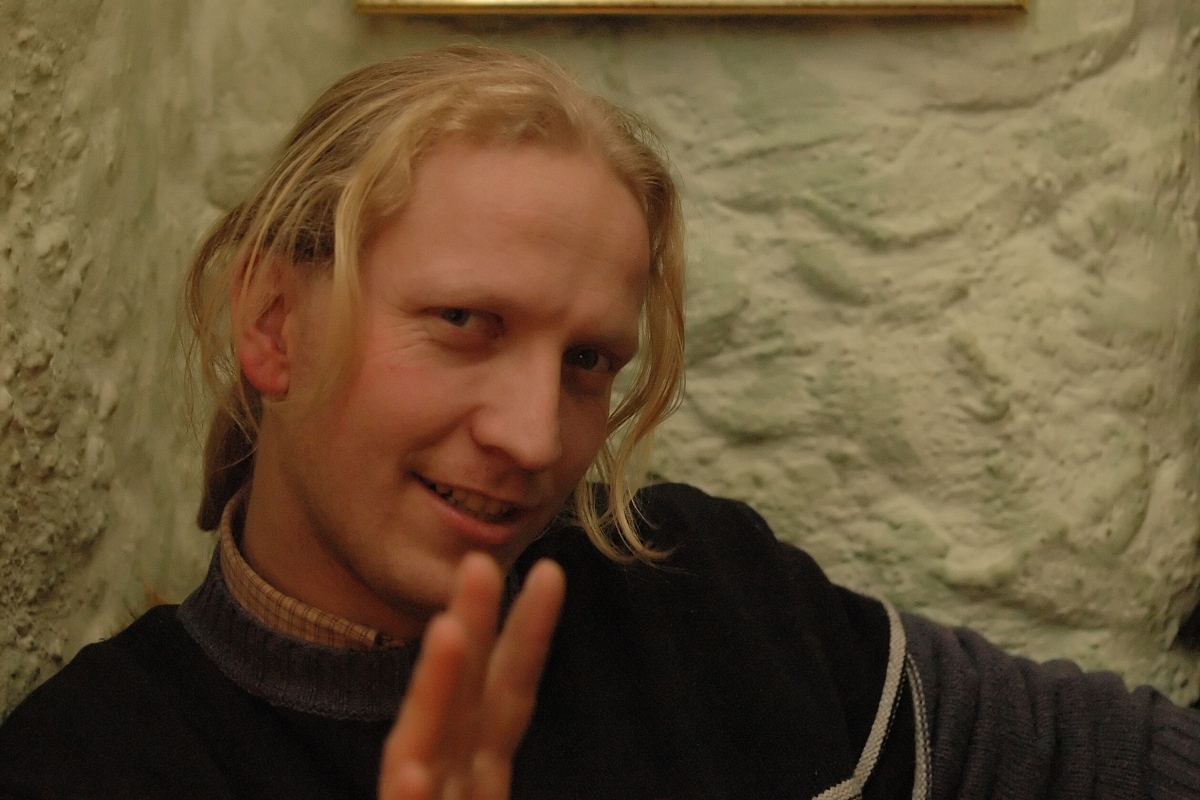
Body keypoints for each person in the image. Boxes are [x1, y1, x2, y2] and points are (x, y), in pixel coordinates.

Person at [1, 45, 1199, 800]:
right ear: (274, 323)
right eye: (465, 320)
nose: (535, 438)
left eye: (587, 361)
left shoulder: (707, 590)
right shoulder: (94, 762)